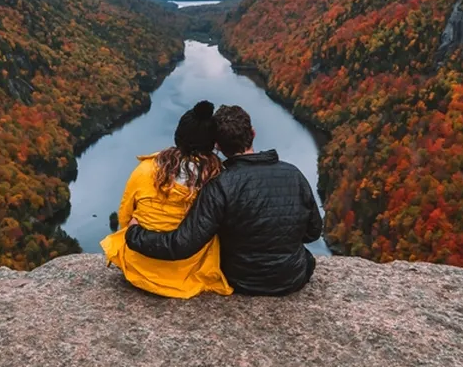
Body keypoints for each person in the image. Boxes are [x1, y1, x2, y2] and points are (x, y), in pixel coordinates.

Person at [126, 104, 322, 296]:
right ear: (253, 133)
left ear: (218, 146)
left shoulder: (220, 185)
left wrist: (134, 235)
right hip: (293, 277)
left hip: (242, 280)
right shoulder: (293, 174)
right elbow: (313, 232)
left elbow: (182, 244)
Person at [99, 101, 233, 298]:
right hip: (189, 272)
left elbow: (125, 216)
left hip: (140, 267)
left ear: (178, 137)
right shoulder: (217, 180)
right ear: (211, 144)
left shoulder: (145, 170)